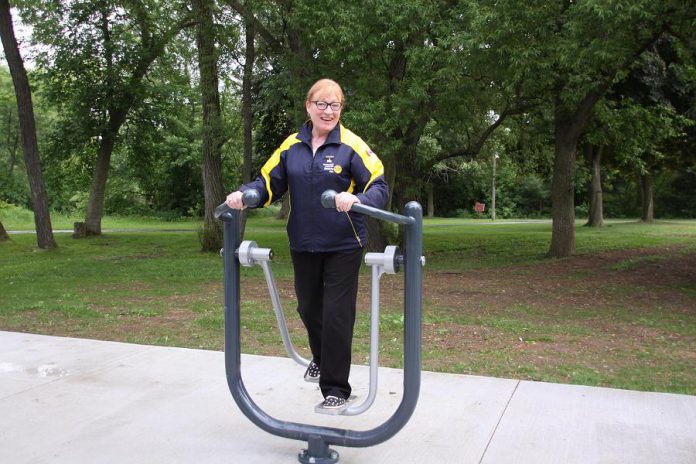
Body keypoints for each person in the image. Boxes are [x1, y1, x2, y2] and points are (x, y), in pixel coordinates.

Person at [226, 78, 388, 410]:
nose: (329, 111)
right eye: (322, 104)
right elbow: (268, 182)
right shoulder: (291, 146)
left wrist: (354, 198)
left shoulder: (351, 146)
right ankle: (320, 357)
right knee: (309, 308)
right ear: (308, 106)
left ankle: (335, 389)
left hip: (344, 243)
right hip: (303, 242)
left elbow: (379, 185)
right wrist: (246, 195)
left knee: (337, 314)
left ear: (341, 109)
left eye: (335, 105)